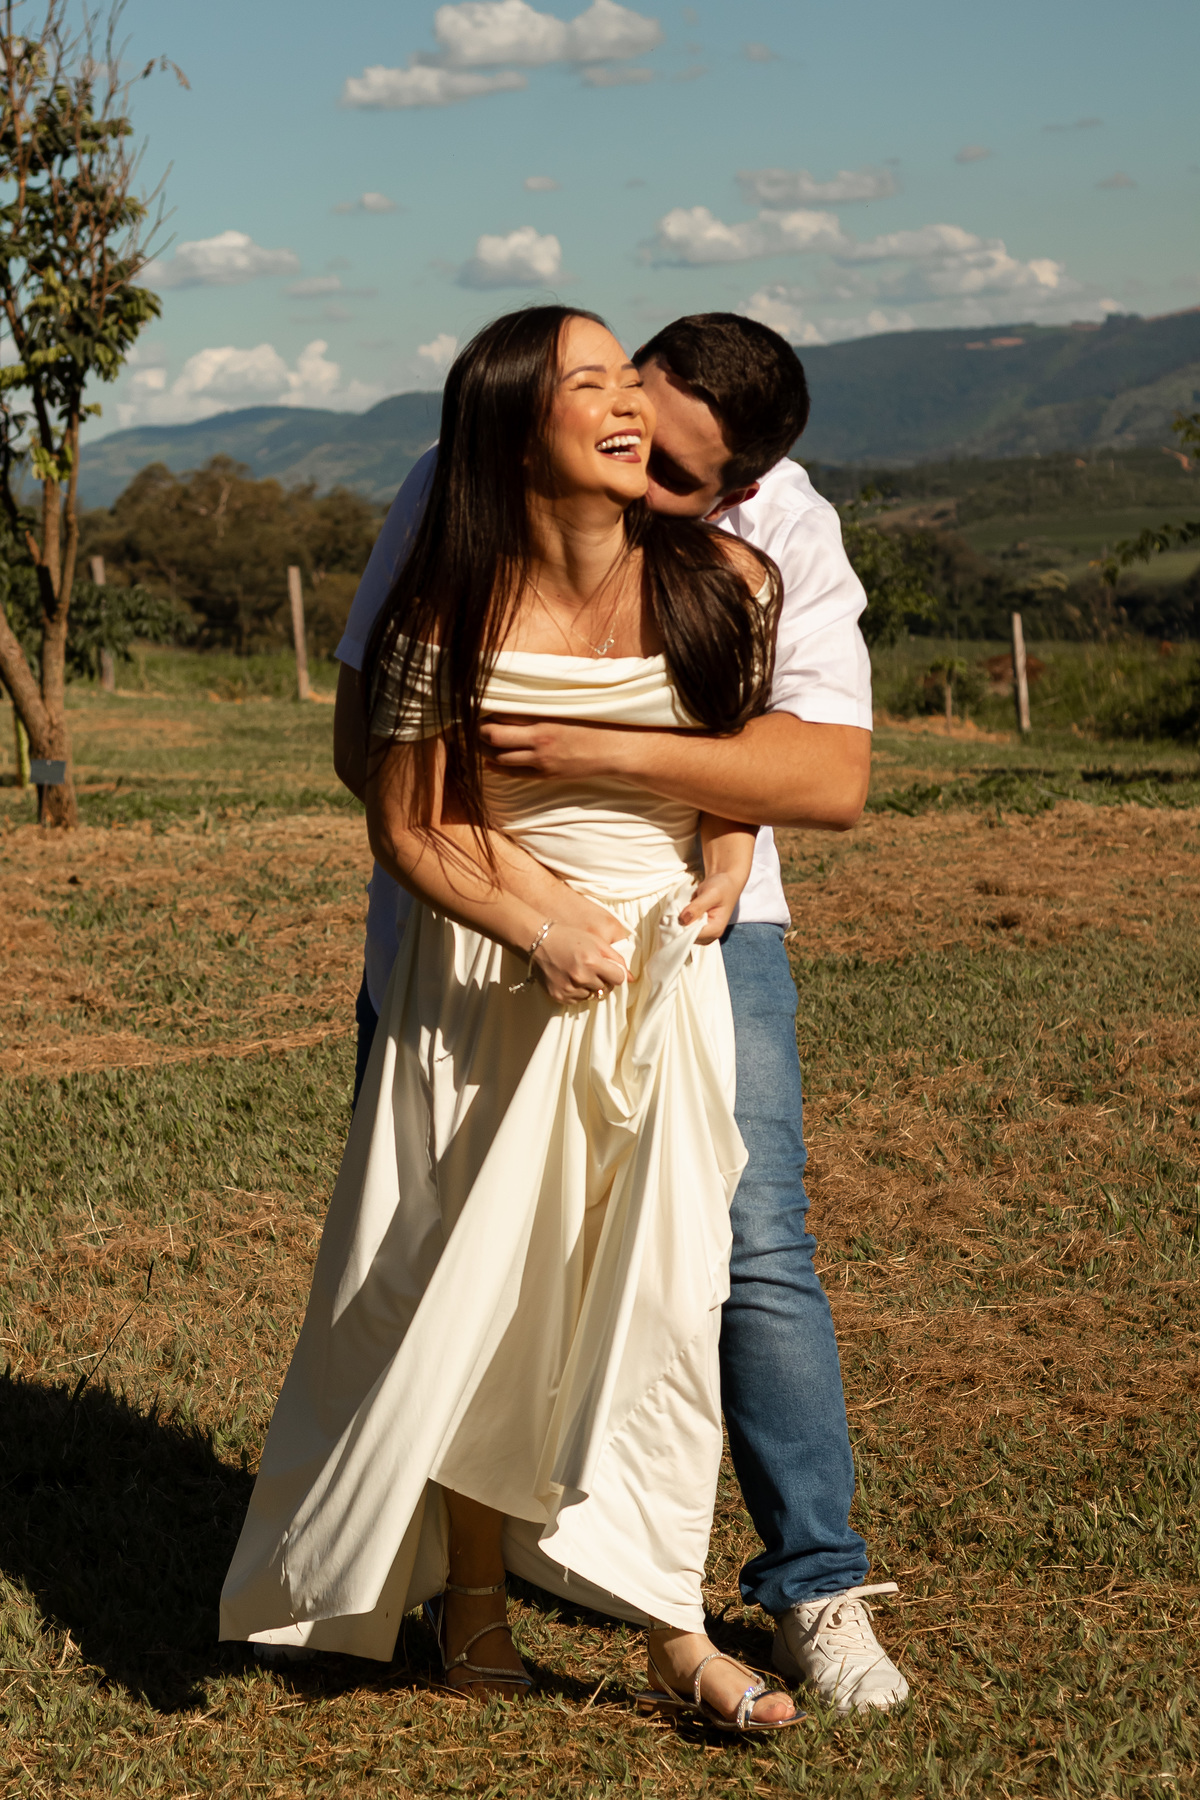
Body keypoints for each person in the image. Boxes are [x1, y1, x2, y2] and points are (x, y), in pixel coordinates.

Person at [221, 304, 804, 1731]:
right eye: (587, 384)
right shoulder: (444, 610)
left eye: (630, 379)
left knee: (664, 1294)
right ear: (507, 429)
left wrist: (724, 846)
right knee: (490, 1285)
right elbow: (410, 828)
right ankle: (472, 1598)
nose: (629, 403)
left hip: (659, 984)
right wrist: (540, 924)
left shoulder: (729, 580)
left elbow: (731, 759)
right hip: (490, 977)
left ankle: (669, 1626)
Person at [331, 312, 909, 1714]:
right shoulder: (457, 484)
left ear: (736, 490)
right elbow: (378, 758)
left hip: (699, 925)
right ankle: (479, 1583)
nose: (646, 468)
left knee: (735, 1243)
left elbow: (822, 780)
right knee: (465, 1253)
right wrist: (531, 902)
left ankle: (805, 1585)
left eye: (684, 477)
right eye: (620, 406)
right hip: (476, 931)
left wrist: (617, 767)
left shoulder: (769, 551)